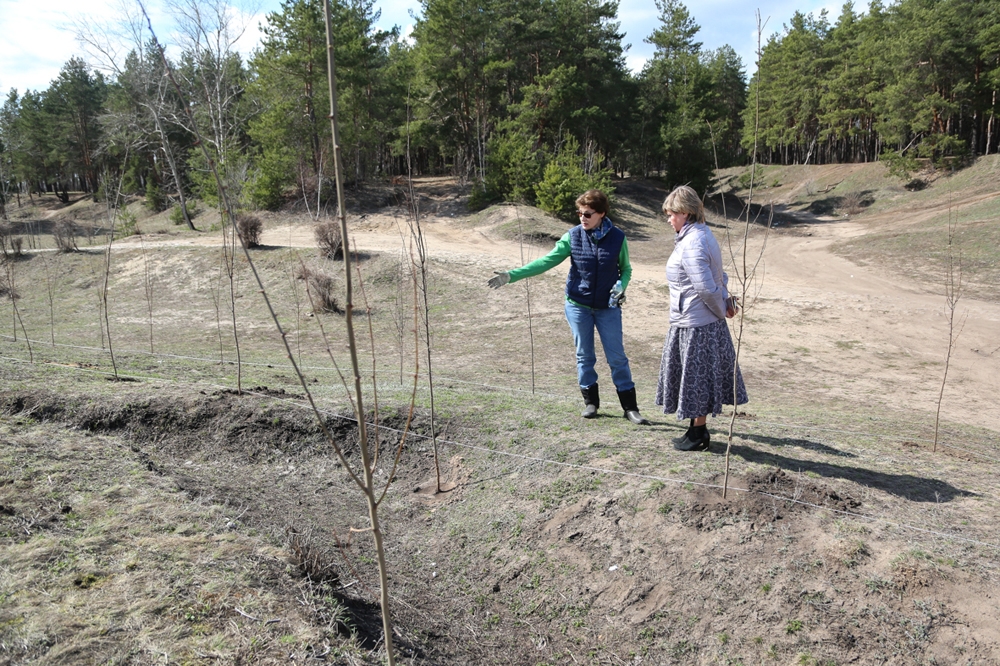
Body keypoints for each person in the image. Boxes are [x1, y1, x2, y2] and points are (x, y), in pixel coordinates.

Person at [487, 189, 650, 425]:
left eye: (587, 213)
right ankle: (591, 403)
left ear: (601, 214)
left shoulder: (618, 237)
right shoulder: (573, 236)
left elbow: (626, 269)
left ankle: (630, 408)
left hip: (608, 307)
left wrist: (621, 286)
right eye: (579, 213)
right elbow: (546, 261)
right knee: (584, 355)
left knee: (617, 357)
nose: (582, 217)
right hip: (578, 305)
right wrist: (511, 275)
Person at [655, 185, 748, 451]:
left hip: (698, 324)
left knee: (698, 380)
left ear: (685, 212)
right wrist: (724, 303)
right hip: (694, 320)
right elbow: (719, 278)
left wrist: (721, 310)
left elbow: (706, 286)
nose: (669, 219)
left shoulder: (694, 241)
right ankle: (695, 430)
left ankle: (698, 436)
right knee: (697, 379)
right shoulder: (697, 236)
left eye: (671, 214)